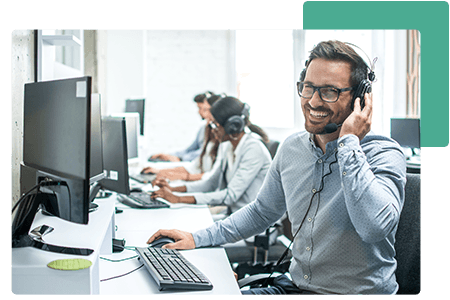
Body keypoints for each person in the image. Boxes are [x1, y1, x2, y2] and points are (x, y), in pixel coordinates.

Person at [147, 40, 407, 295]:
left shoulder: (384, 153)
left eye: (330, 91)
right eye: (308, 88)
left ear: (360, 99)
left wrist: (349, 143)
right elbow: (261, 212)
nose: (314, 102)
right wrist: (197, 238)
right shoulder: (292, 148)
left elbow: (374, 228)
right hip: (294, 287)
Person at [150, 96, 272, 215]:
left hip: (255, 223)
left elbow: (230, 196)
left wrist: (178, 199)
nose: (212, 129)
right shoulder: (227, 146)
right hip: (235, 215)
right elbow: (210, 183)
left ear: (232, 126)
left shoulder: (253, 149)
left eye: (215, 124)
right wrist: (172, 189)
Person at [141, 94, 223, 181]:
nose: (203, 113)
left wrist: (179, 161)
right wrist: (161, 170)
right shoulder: (206, 130)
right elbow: (192, 160)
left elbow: (210, 176)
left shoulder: (221, 142)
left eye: (206, 109)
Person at [148, 91, 214, 162]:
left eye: (202, 108)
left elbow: (206, 153)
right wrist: (168, 155)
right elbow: (189, 150)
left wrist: (181, 158)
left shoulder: (216, 130)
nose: (199, 112)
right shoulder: (203, 128)